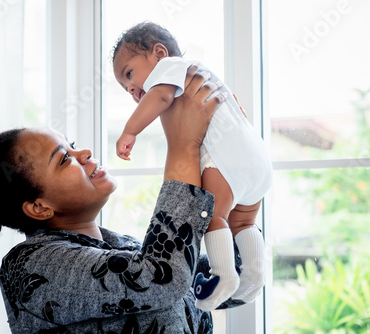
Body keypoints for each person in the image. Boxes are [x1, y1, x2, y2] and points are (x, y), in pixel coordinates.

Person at [0, 67, 243, 334]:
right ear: (39, 207)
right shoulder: (31, 265)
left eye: (73, 146)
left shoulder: (121, 246)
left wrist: (232, 153)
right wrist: (183, 145)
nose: (85, 153)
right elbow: (162, 277)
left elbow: (231, 281)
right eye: (65, 158)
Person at [112, 21, 272, 310]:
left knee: (211, 217)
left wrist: (130, 130)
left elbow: (159, 97)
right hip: (257, 161)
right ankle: (254, 275)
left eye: (129, 74)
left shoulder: (171, 69)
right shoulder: (200, 74)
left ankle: (223, 276)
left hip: (227, 162)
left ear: (159, 53)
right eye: (125, 87)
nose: (132, 88)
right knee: (244, 223)